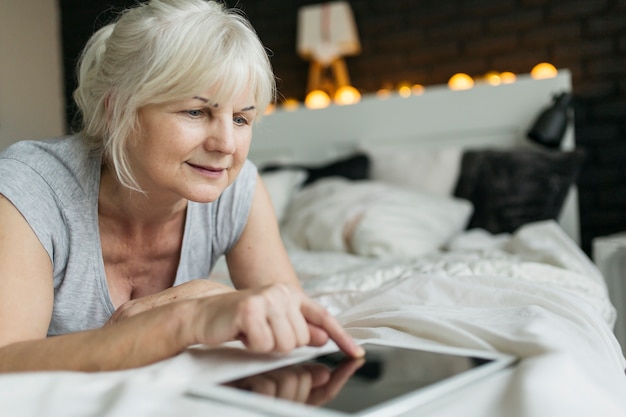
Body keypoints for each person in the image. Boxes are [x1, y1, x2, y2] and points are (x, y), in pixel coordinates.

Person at [0, 0, 363, 372]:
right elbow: (4, 362)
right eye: (196, 111)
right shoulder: (31, 189)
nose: (225, 145)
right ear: (116, 110)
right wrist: (184, 320)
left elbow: (294, 324)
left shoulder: (238, 192)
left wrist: (200, 295)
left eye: (241, 119)